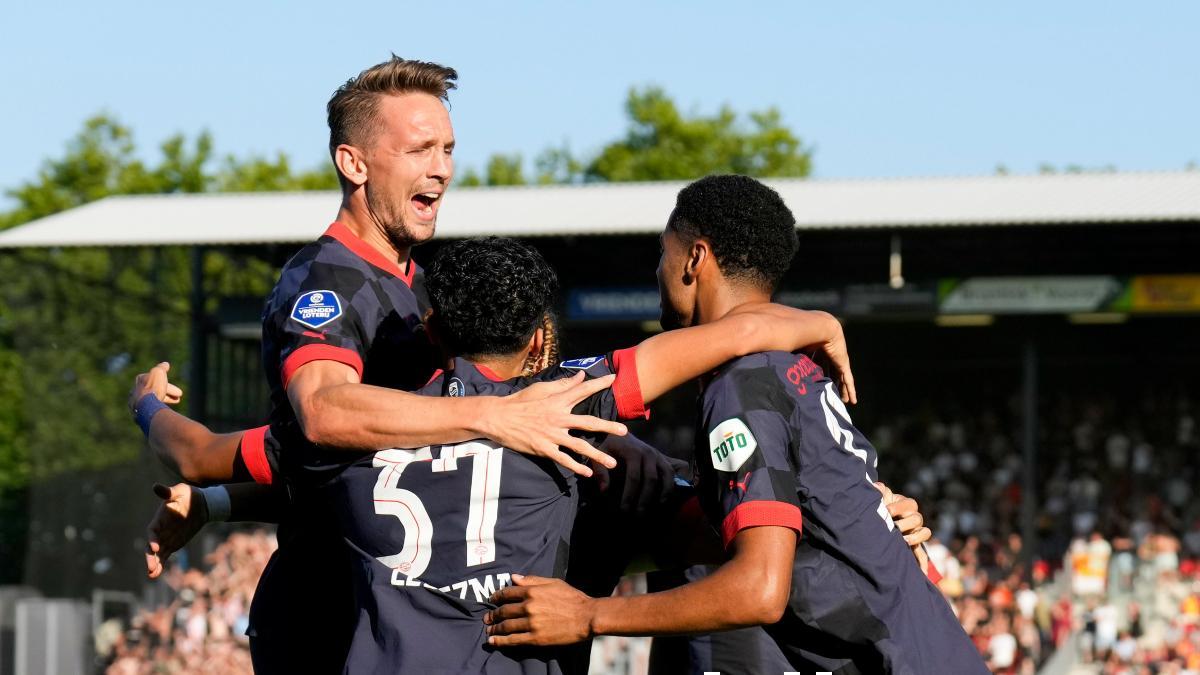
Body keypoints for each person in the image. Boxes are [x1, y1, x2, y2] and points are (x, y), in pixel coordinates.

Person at [136, 236, 861, 673]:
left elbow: (197, 450)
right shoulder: (574, 408)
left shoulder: (356, 431)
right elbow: (734, 333)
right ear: (542, 341)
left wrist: (147, 408)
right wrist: (818, 324)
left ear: (432, 328)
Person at [126, 56, 626, 674]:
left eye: (447, 148)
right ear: (353, 163)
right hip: (333, 631)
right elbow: (323, 413)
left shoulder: (419, 287)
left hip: (408, 634)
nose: (440, 168)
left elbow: (353, 478)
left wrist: (216, 505)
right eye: (419, 149)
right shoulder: (325, 279)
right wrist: (496, 416)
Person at [484, 175, 989, 674]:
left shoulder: (743, 383)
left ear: (695, 258)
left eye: (664, 253)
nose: (658, 271)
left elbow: (759, 589)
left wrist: (588, 615)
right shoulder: (794, 370)